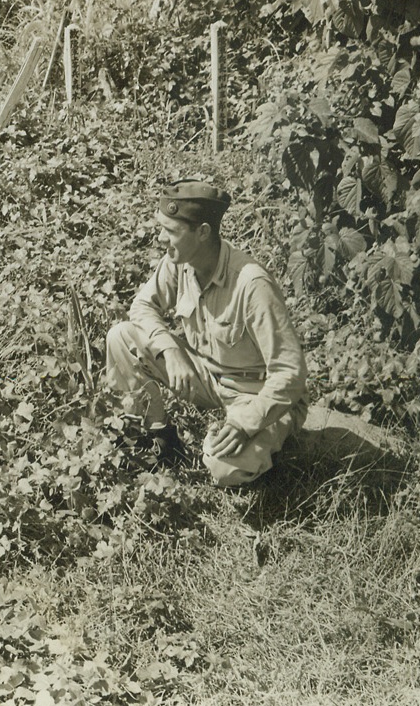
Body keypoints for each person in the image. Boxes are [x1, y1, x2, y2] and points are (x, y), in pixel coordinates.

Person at [105, 179, 308, 486]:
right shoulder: (179, 262)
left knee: (221, 467)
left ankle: (271, 448)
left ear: (202, 232)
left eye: (171, 231)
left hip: (256, 394)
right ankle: (158, 438)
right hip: (210, 378)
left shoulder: (252, 284)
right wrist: (170, 350)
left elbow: (290, 374)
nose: (160, 238)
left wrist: (245, 424)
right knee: (121, 337)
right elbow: (142, 306)